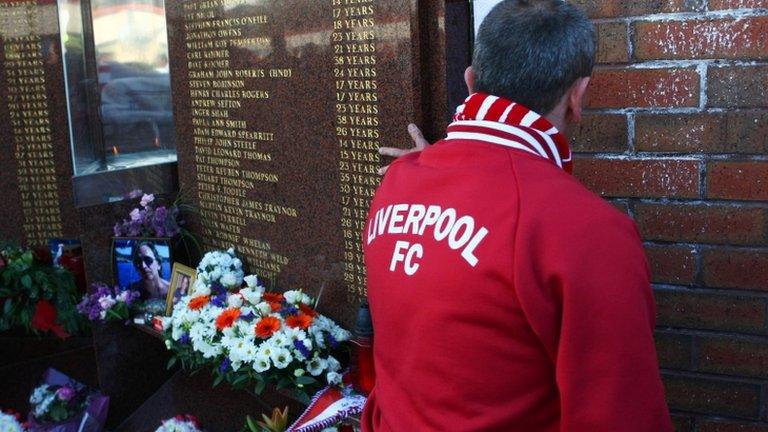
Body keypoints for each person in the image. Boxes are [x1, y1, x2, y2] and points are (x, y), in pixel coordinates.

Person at [361, 1, 673, 431]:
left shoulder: (398, 183)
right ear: (577, 95)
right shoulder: (591, 232)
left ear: (470, 80)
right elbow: (621, 416)